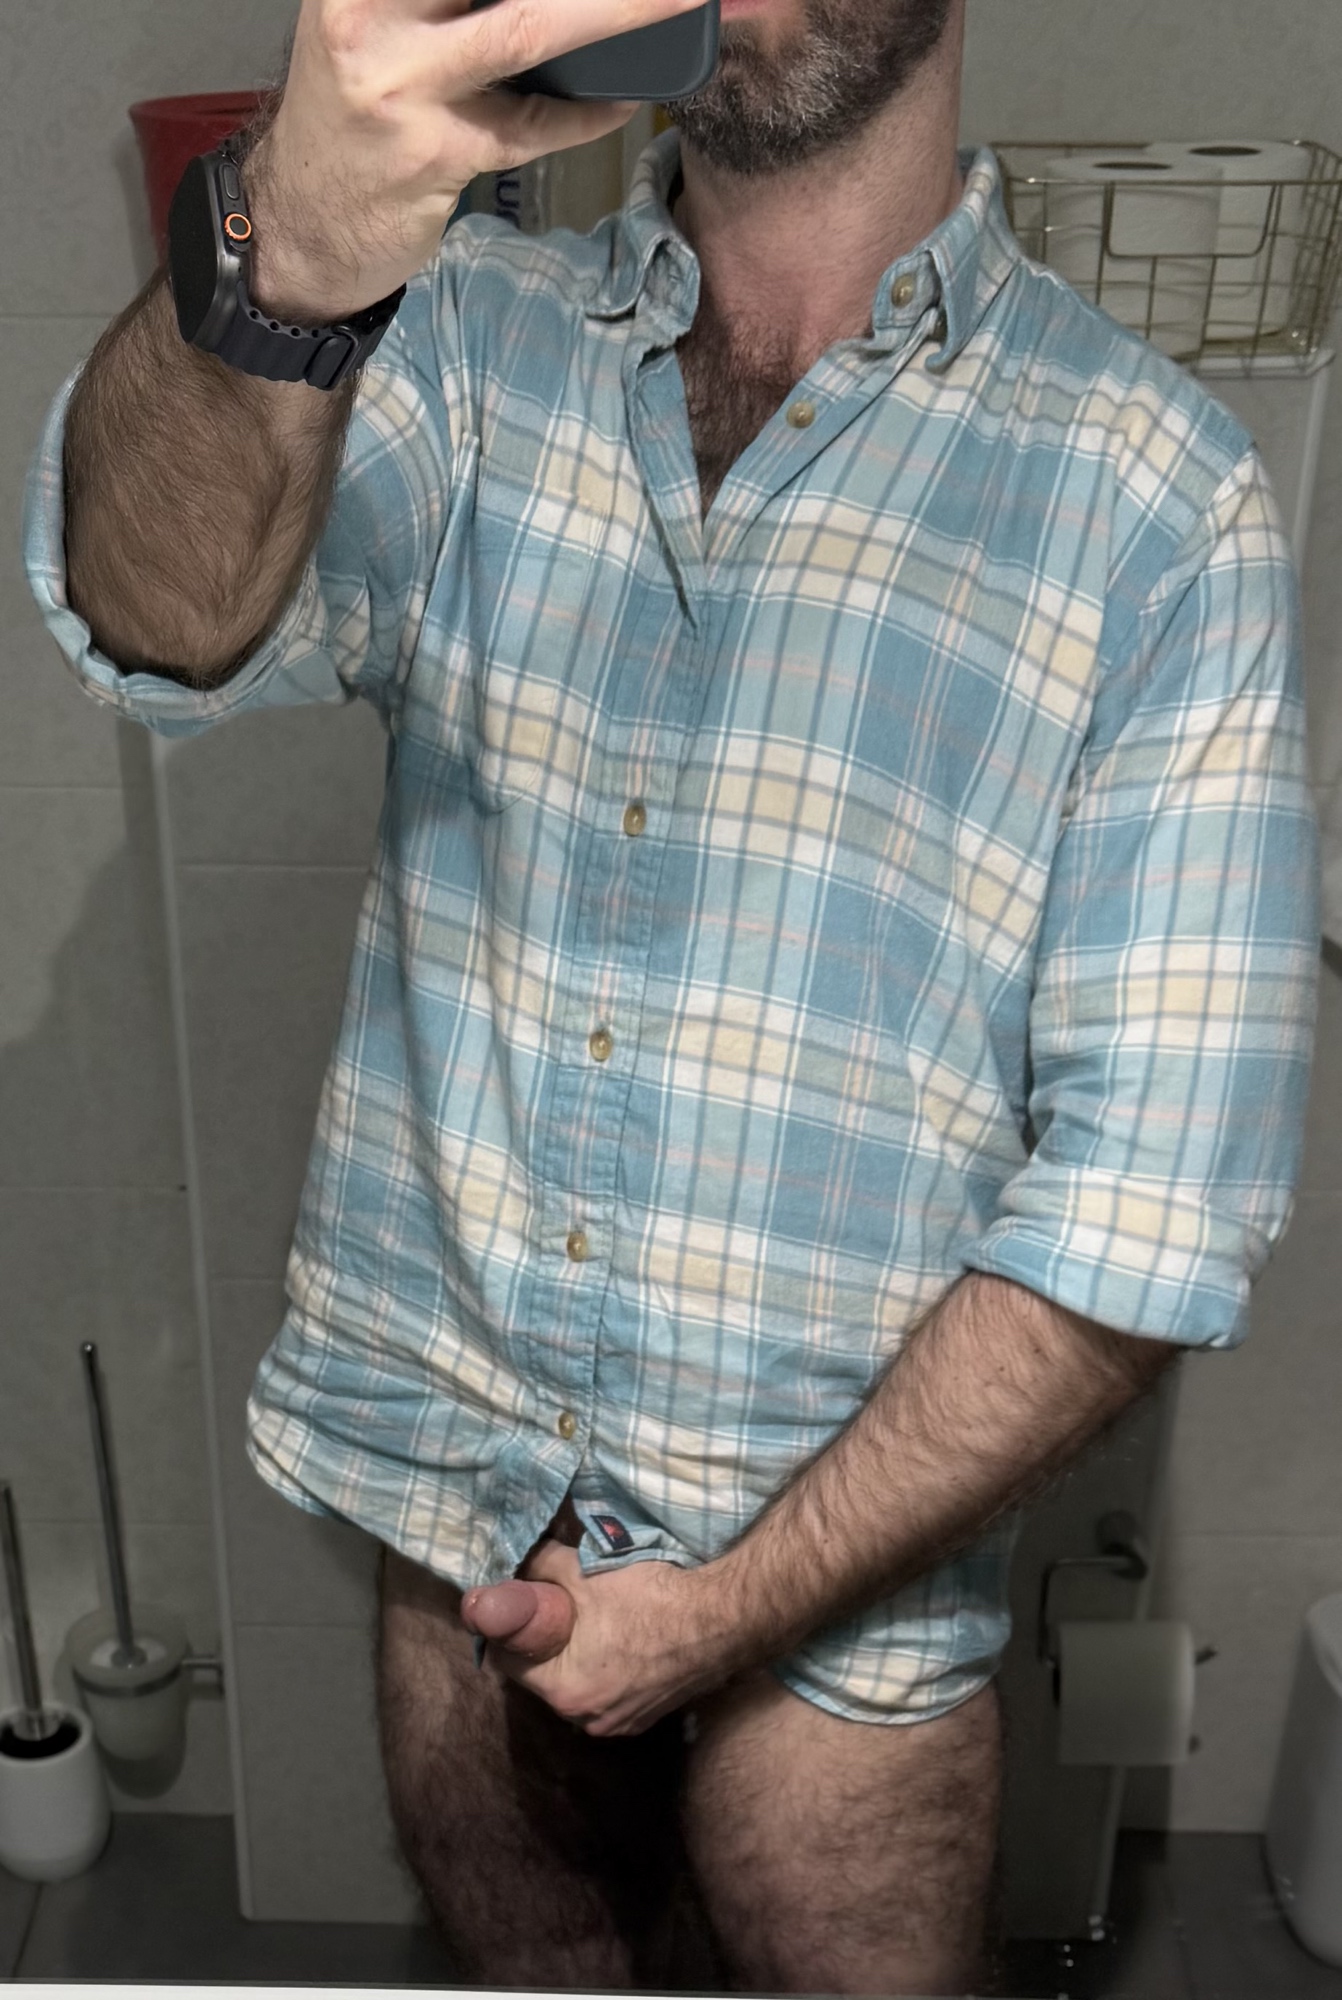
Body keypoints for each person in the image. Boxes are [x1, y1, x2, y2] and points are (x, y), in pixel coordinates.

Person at [24, 0, 1319, 1990]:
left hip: (847, 1602)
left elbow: (1150, 1208)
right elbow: (157, 621)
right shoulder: (456, 339)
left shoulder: (1151, 493)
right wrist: (277, 256)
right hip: (460, 1519)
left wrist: (726, 1608)